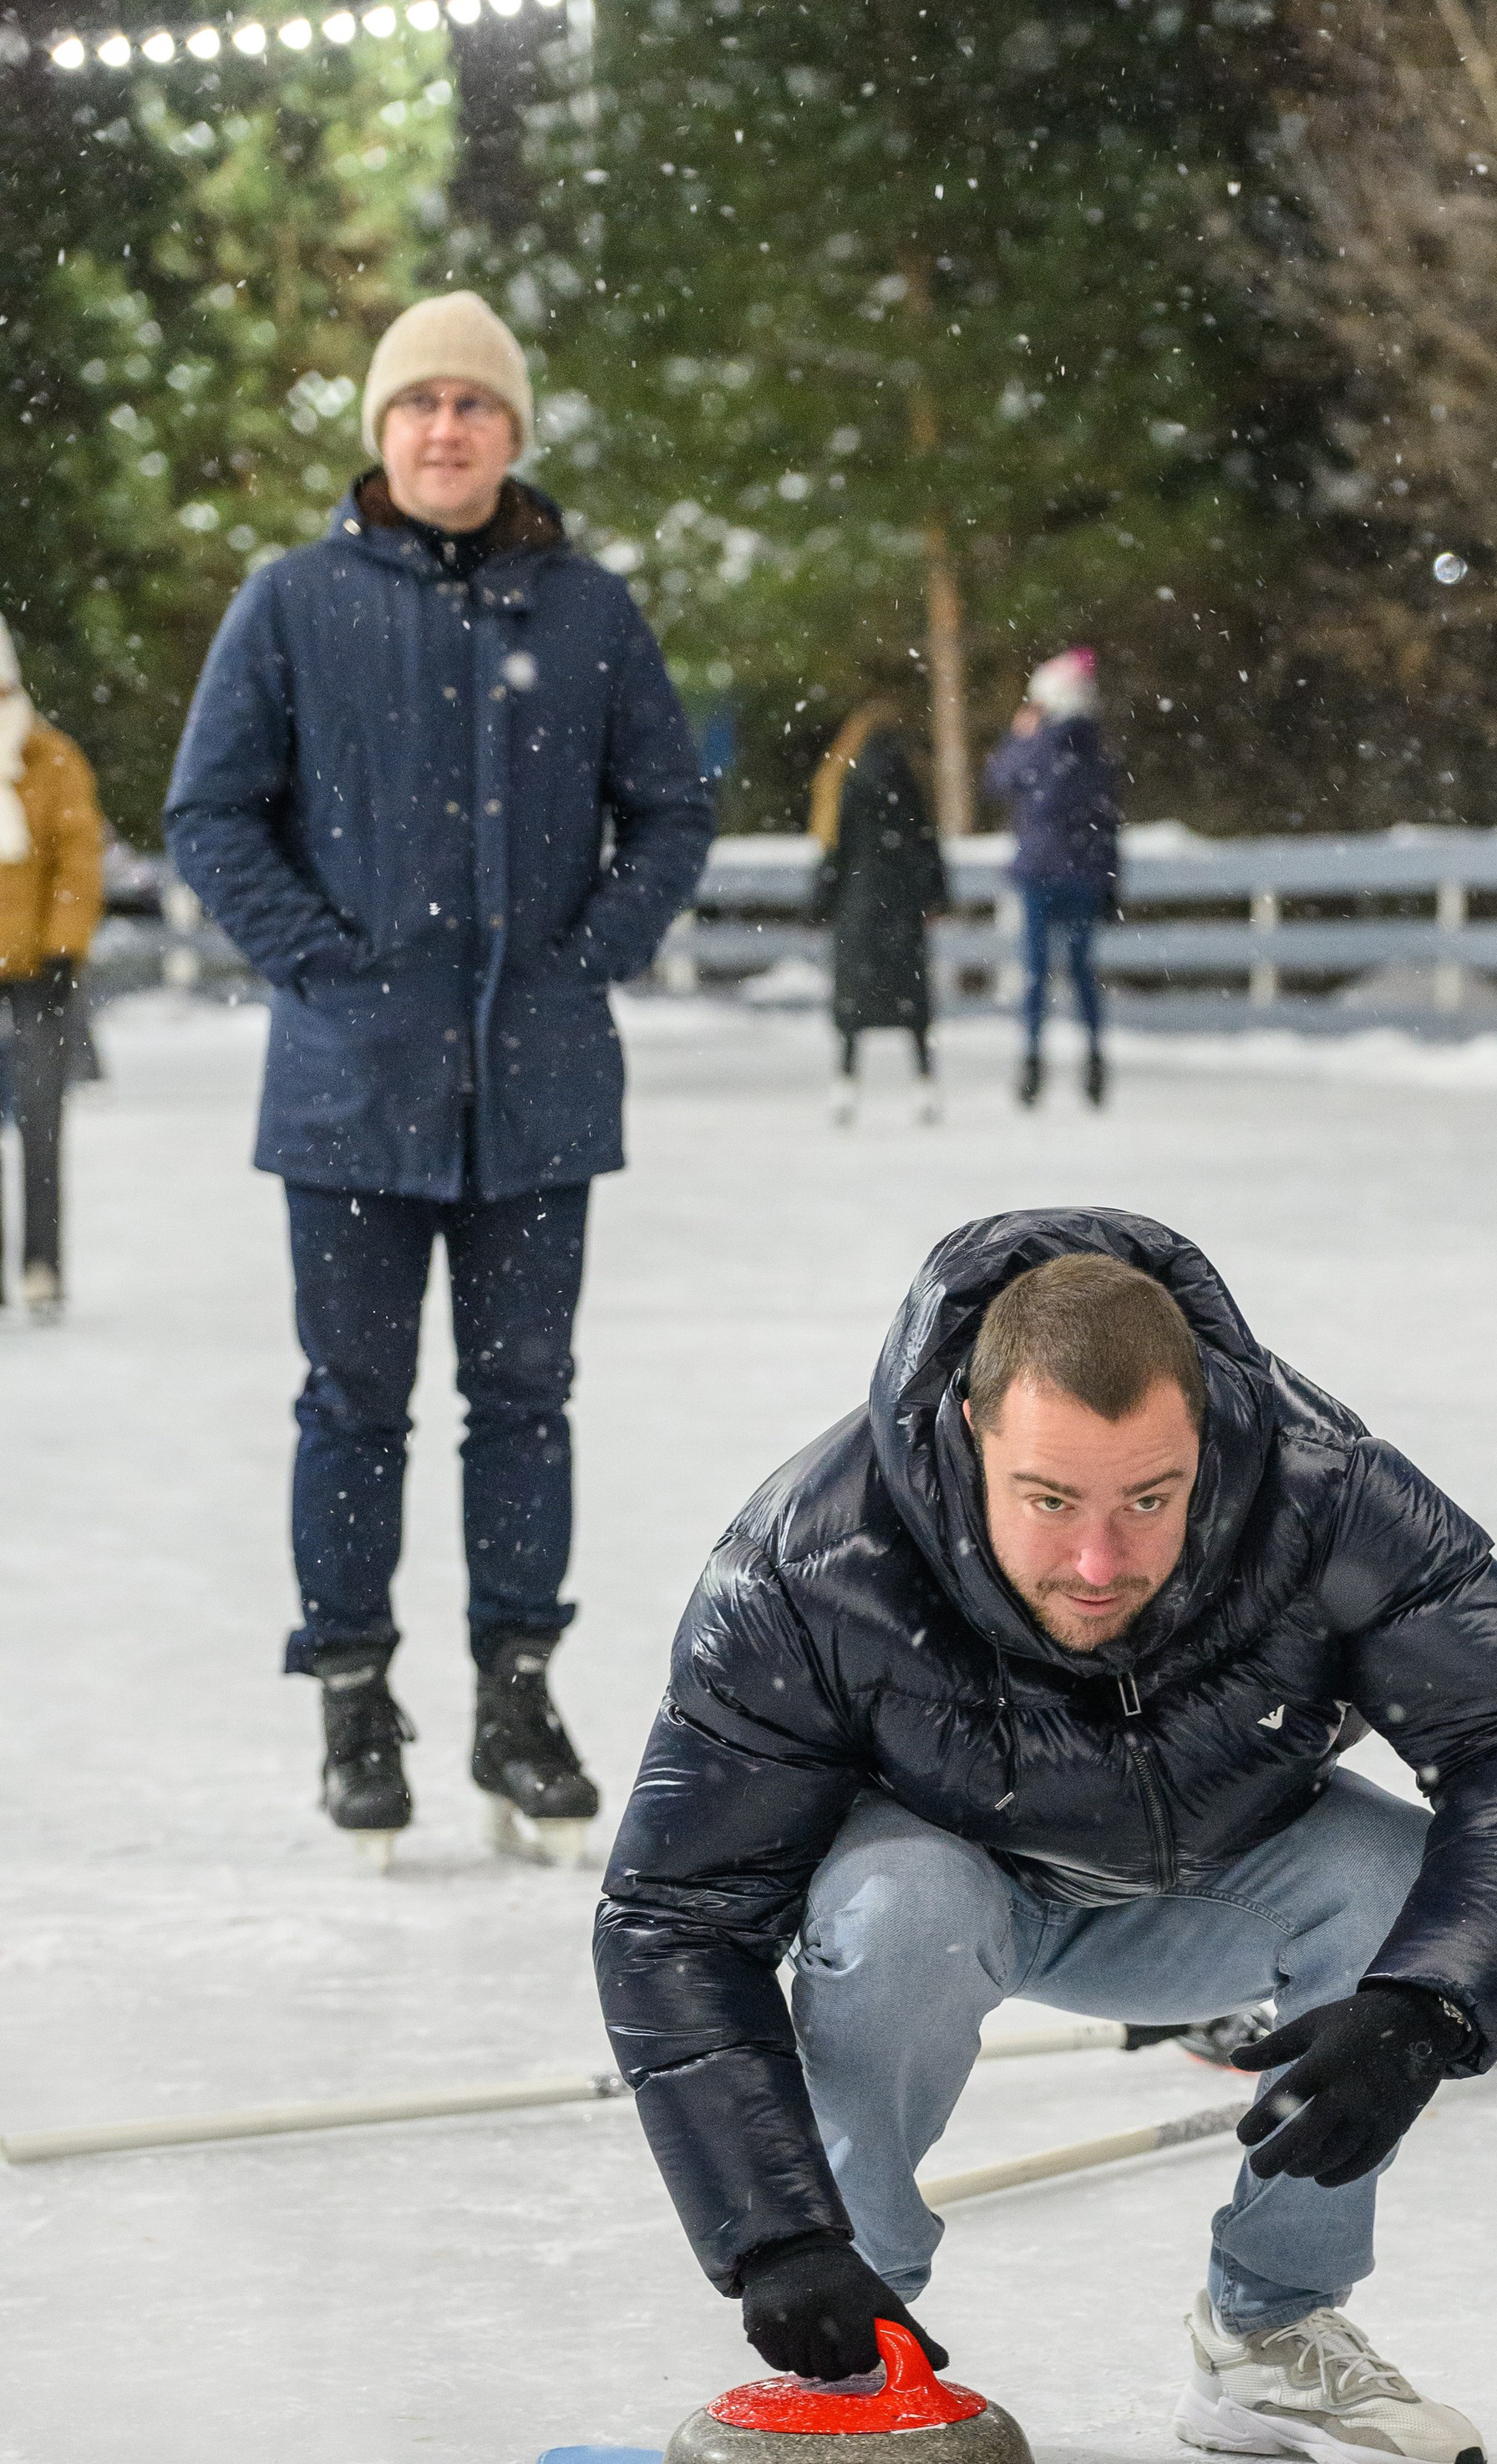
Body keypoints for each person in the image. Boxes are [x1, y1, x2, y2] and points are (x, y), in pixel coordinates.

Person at [595, 1217, 1497, 2464]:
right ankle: (857, 2349)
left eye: (1152, 1498)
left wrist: (1431, 2004)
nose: (1100, 1560)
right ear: (972, 1438)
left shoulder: (1327, 1495)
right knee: (893, 1905)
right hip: (956, 1886)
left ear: (1212, 1438)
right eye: (1050, 1500)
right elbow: (675, 1914)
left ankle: (1271, 2327)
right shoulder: (812, 1564)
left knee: (1406, 1895)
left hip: (1222, 1884)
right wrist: (775, 2237)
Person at [165, 292, 713, 1867]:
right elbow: (212, 814)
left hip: (538, 1094)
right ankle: (353, 1697)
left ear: (512, 432)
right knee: (354, 1406)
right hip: (349, 1092)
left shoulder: (589, 613)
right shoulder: (293, 604)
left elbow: (670, 810)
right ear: (382, 433)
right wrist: (328, 966)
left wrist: (582, 954)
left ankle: (517, 1694)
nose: (446, 428)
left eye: (475, 405)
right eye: (420, 406)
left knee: (523, 1403)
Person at [0, 620, 104, 1324]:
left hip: (41, 970)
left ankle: (43, 1264)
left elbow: (78, 858)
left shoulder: (51, 759)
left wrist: (65, 947)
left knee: (41, 1121)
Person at [982, 648, 1119, 1111]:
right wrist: (1110, 879)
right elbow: (1109, 819)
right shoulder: (1096, 750)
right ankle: (1094, 1062)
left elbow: (999, 778)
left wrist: (1019, 737)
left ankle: (1032, 1063)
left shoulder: (1040, 747)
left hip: (1041, 873)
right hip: (1084, 875)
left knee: (1037, 973)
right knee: (1082, 971)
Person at [807, 700, 948, 1125]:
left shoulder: (847, 783)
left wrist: (821, 902)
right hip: (902, 908)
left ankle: (845, 1085)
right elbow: (927, 845)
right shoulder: (910, 783)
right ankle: (925, 1084)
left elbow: (836, 850)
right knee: (912, 1005)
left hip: (859, 906)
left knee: (854, 1006)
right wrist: (936, 897)